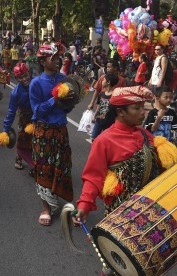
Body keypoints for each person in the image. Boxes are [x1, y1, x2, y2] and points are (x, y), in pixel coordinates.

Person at [74, 86, 172, 274]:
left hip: (149, 213)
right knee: (117, 266)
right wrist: (84, 205)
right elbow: (93, 177)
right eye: (137, 108)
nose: (143, 113)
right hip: (122, 217)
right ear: (120, 112)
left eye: (143, 107)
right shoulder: (104, 141)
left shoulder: (144, 134)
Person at [29, 42, 73, 226]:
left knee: (63, 167)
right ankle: (46, 207)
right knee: (44, 169)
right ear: (42, 61)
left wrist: (70, 99)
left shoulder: (64, 79)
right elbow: (37, 111)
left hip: (61, 130)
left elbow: (68, 108)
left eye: (58, 58)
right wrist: (54, 99)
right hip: (43, 131)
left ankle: (65, 201)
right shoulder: (36, 83)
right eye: (52, 58)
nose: (57, 61)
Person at [1, 63, 34, 171]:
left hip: (39, 116)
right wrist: (5, 131)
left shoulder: (36, 83)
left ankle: (35, 163)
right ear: (16, 78)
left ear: (29, 73)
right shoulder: (16, 93)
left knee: (36, 139)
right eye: (20, 77)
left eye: (25, 75)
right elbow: (11, 112)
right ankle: (19, 158)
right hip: (25, 116)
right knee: (23, 138)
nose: (24, 79)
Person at [90, 73, 119, 140]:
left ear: (108, 82)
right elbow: (99, 105)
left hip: (110, 123)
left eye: (104, 80)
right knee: (94, 138)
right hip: (99, 120)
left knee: (106, 140)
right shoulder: (102, 94)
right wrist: (94, 116)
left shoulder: (115, 96)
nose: (102, 81)